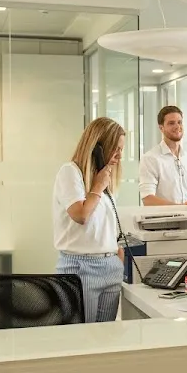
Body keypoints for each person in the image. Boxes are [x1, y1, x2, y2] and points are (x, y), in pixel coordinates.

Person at [53, 117, 126, 323]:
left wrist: (116, 252)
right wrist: (97, 187)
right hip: (81, 267)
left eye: (121, 149)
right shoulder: (70, 172)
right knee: (82, 338)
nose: (119, 156)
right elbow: (81, 215)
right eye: (115, 149)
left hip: (110, 267)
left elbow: (102, 224)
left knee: (105, 337)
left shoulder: (104, 179)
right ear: (98, 148)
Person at [138, 105, 187, 207]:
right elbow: (148, 199)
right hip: (165, 217)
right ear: (161, 128)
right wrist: (180, 208)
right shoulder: (150, 158)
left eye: (179, 122)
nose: (177, 126)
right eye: (171, 123)